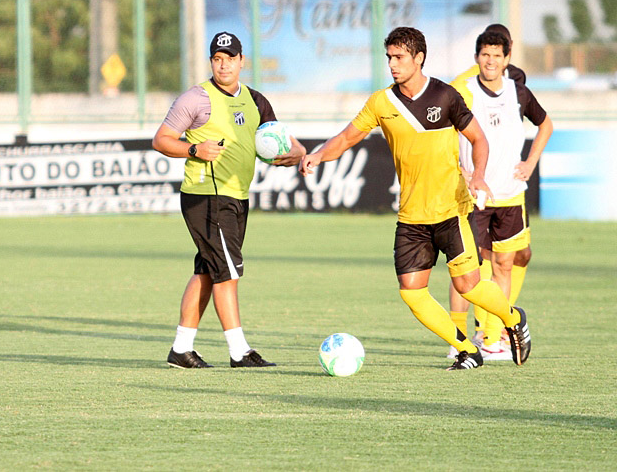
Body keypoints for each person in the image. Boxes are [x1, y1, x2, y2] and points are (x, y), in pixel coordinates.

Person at [299, 26, 531, 370]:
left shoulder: (446, 96)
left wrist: (478, 175)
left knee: (468, 285)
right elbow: (348, 137)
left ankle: (513, 318)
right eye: (389, 57)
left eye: (399, 57)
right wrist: (319, 154)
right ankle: (466, 348)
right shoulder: (381, 102)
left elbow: (479, 140)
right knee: (411, 291)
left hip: (452, 210)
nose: (393, 64)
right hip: (411, 216)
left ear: (418, 58)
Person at [153, 31, 306, 368]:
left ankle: (181, 349)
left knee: (210, 270)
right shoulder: (195, 99)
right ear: (212, 61)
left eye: (230, 58)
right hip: (205, 195)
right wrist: (194, 149)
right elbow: (162, 140)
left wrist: (297, 153)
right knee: (227, 273)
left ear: (241, 62)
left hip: (237, 196)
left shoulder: (256, 100)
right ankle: (240, 351)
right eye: (217, 59)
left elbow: (280, 138)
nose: (223, 65)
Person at [445, 30, 553, 361]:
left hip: (509, 194)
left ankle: (492, 338)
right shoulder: (463, 91)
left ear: (507, 59)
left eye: (497, 56)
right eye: (485, 55)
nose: (490, 61)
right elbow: (444, 134)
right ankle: (458, 337)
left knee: (505, 263)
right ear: (477, 57)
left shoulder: (518, 91)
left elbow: (545, 124)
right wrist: (463, 173)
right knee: (466, 269)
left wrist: (530, 162)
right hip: (473, 195)